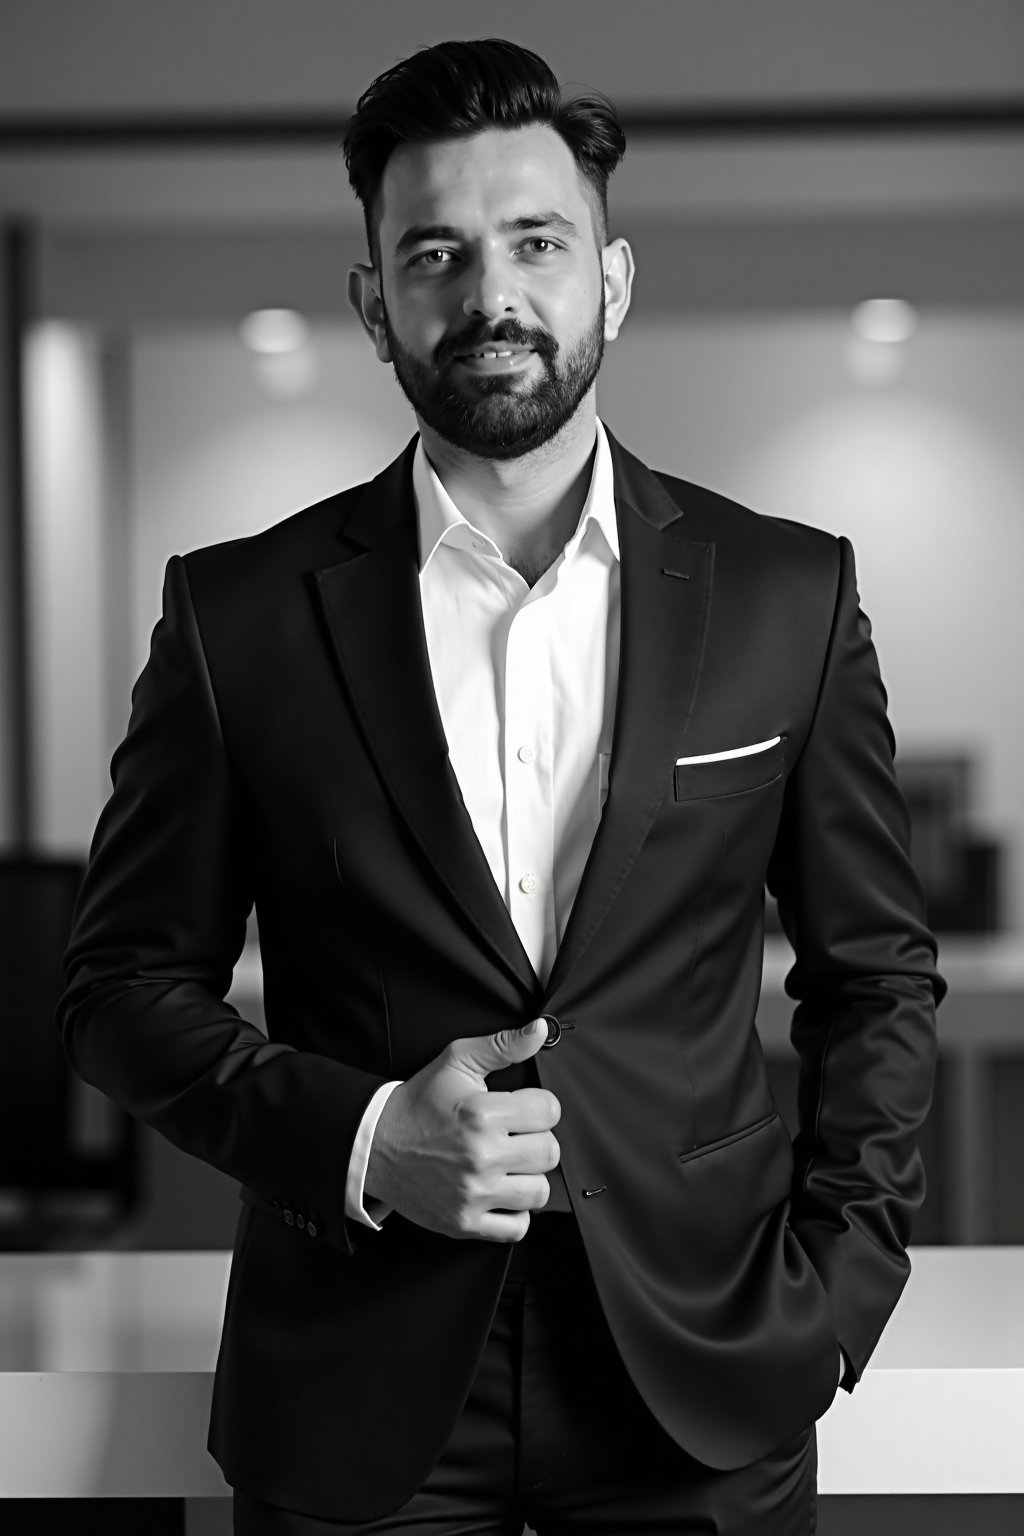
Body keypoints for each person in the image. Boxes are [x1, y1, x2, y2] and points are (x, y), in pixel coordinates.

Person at [57, 36, 945, 1536]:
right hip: (355, 1382)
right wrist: (359, 1138)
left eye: (539, 242)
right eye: (437, 253)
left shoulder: (791, 593)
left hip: (704, 1375)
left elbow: (875, 978)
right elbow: (119, 986)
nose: (492, 296)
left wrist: (837, 1297)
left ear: (610, 277)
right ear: (374, 303)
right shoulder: (238, 616)